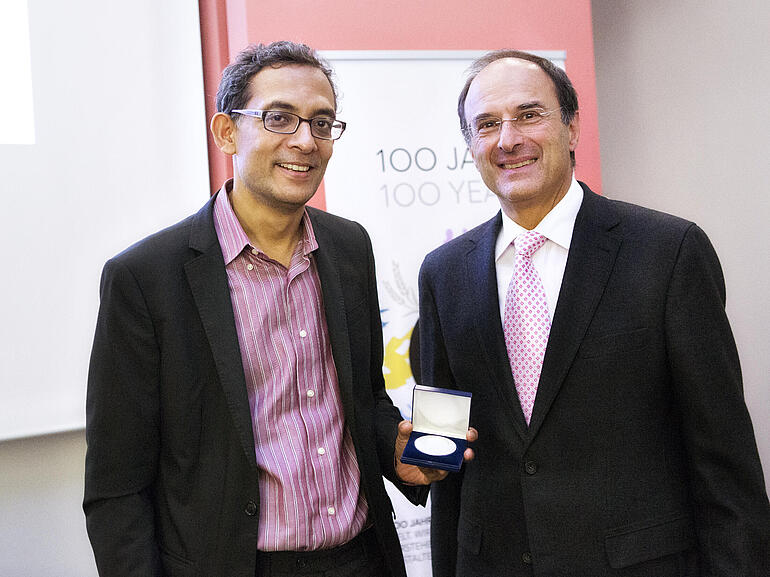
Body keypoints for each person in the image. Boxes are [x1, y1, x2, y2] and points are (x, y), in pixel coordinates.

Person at [83, 41, 459, 577]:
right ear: (227, 132)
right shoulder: (146, 279)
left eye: (322, 122)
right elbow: (116, 488)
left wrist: (400, 455)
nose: (305, 141)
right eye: (280, 118)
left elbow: (362, 400)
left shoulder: (349, 248)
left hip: (361, 558)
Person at [418, 49, 770, 576]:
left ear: (572, 126)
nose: (508, 139)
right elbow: (443, 454)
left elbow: (725, 462)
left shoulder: (668, 252)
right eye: (487, 124)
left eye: (528, 114)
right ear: (471, 147)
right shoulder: (443, 273)